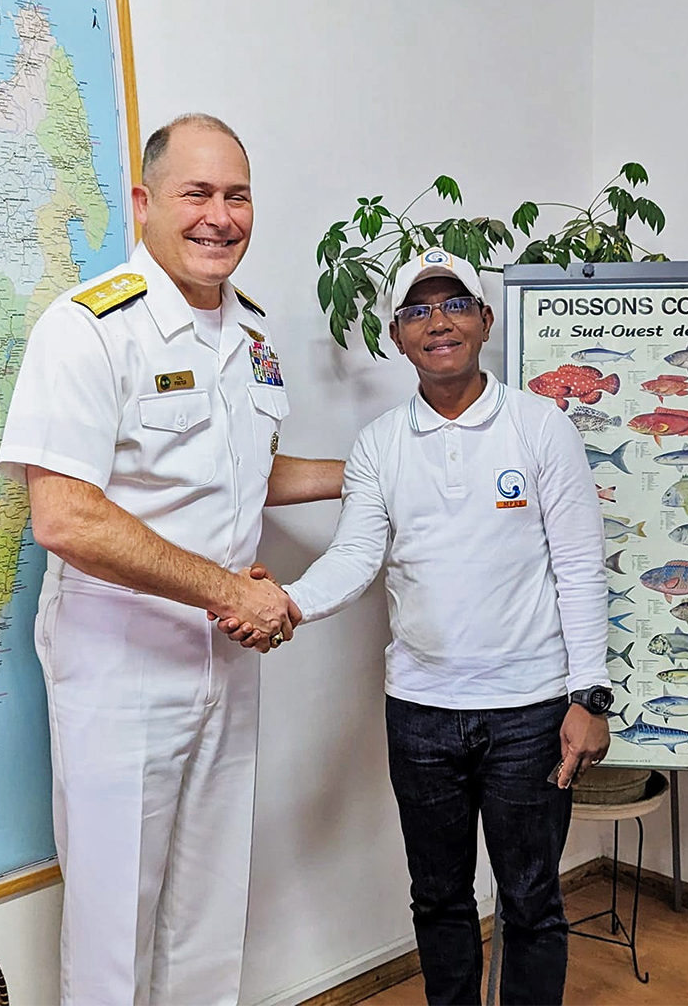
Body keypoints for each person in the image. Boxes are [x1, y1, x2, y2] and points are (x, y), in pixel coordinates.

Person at [0, 113, 342, 1006]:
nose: (219, 217)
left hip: (229, 658)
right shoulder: (88, 328)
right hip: (121, 667)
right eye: (197, 194)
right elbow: (65, 517)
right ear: (146, 204)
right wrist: (230, 587)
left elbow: (248, 478)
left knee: (209, 914)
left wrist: (375, 471)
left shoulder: (250, 336)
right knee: (115, 928)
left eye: (237, 195)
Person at [218, 248, 613, 1005]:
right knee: (438, 900)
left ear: (484, 321)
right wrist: (290, 601)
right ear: (398, 337)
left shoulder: (540, 427)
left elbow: (581, 568)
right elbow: (357, 556)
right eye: (418, 311)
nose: (439, 322)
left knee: (532, 904)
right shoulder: (379, 445)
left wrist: (589, 699)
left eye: (454, 304)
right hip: (423, 716)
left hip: (531, 712)